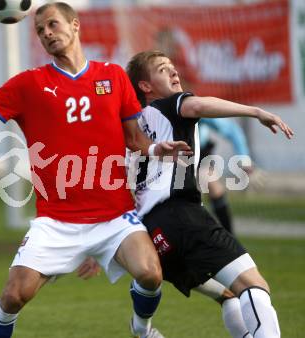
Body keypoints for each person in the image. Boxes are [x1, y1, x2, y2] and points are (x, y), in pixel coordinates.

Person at [0, 4, 192, 338]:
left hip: (114, 216)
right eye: (40, 30)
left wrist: (158, 148)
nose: (46, 33)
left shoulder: (113, 77)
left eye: (52, 25)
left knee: (150, 274)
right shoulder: (30, 84)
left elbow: (135, 140)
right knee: (14, 295)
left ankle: (142, 330)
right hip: (57, 221)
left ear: (74, 26)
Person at [124, 50, 292, 337]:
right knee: (254, 285)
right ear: (145, 86)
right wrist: (256, 111)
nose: (174, 72)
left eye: (173, 67)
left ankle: (142, 328)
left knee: (228, 294)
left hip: (154, 235)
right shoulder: (169, 105)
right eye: (164, 69)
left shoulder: (133, 131)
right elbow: (199, 105)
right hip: (182, 216)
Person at [198, 117, 264, 233]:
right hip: (173, 156)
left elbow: (232, 130)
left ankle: (230, 237)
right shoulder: (159, 108)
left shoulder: (194, 107)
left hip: (199, 153)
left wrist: (244, 160)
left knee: (213, 187)